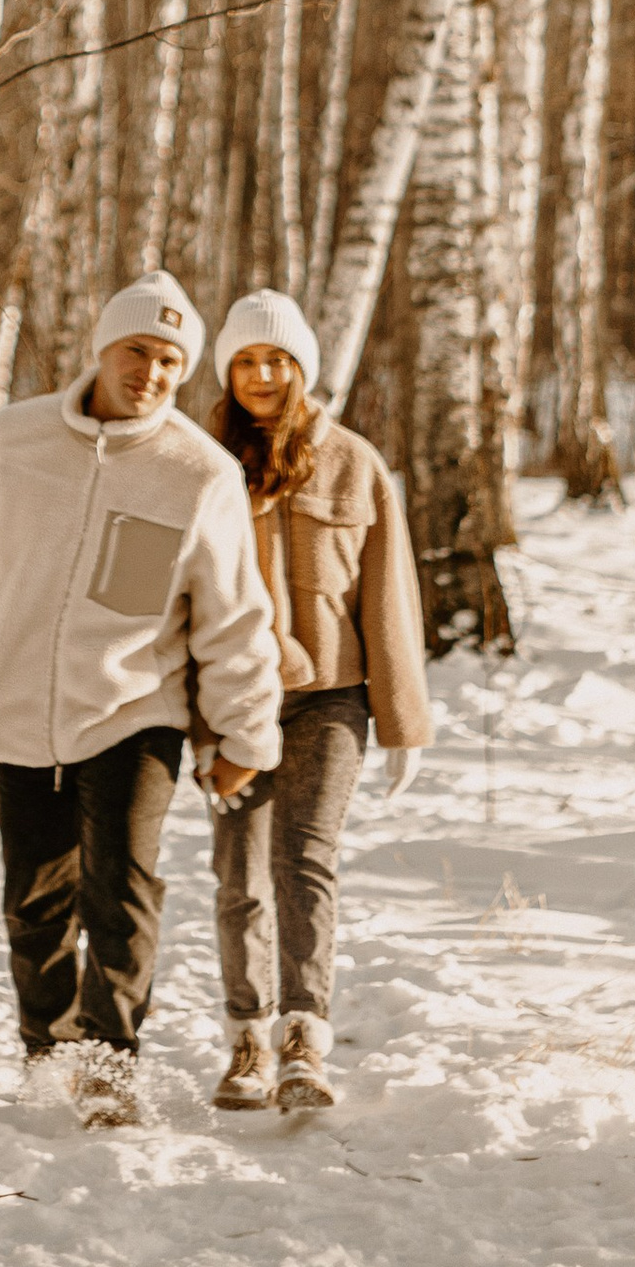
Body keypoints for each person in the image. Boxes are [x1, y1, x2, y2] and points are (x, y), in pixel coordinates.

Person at [0, 272, 281, 1129]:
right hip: (11, 709)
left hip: (134, 710)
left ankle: (110, 1064)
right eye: (137, 352)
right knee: (34, 899)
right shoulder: (14, 438)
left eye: (169, 360)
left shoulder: (198, 472)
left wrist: (245, 732)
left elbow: (233, 618)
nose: (151, 372)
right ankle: (46, 1050)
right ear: (103, 349)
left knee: (123, 891)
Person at [203, 289, 430, 1115]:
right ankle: (246, 1039)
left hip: (332, 700)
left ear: (302, 366)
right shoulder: (199, 459)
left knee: (305, 862)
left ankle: (304, 1035)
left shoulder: (354, 462)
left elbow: (388, 596)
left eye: (277, 359)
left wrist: (403, 721)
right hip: (231, 700)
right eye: (245, 361)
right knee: (240, 875)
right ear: (227, 370)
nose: (262, 374)